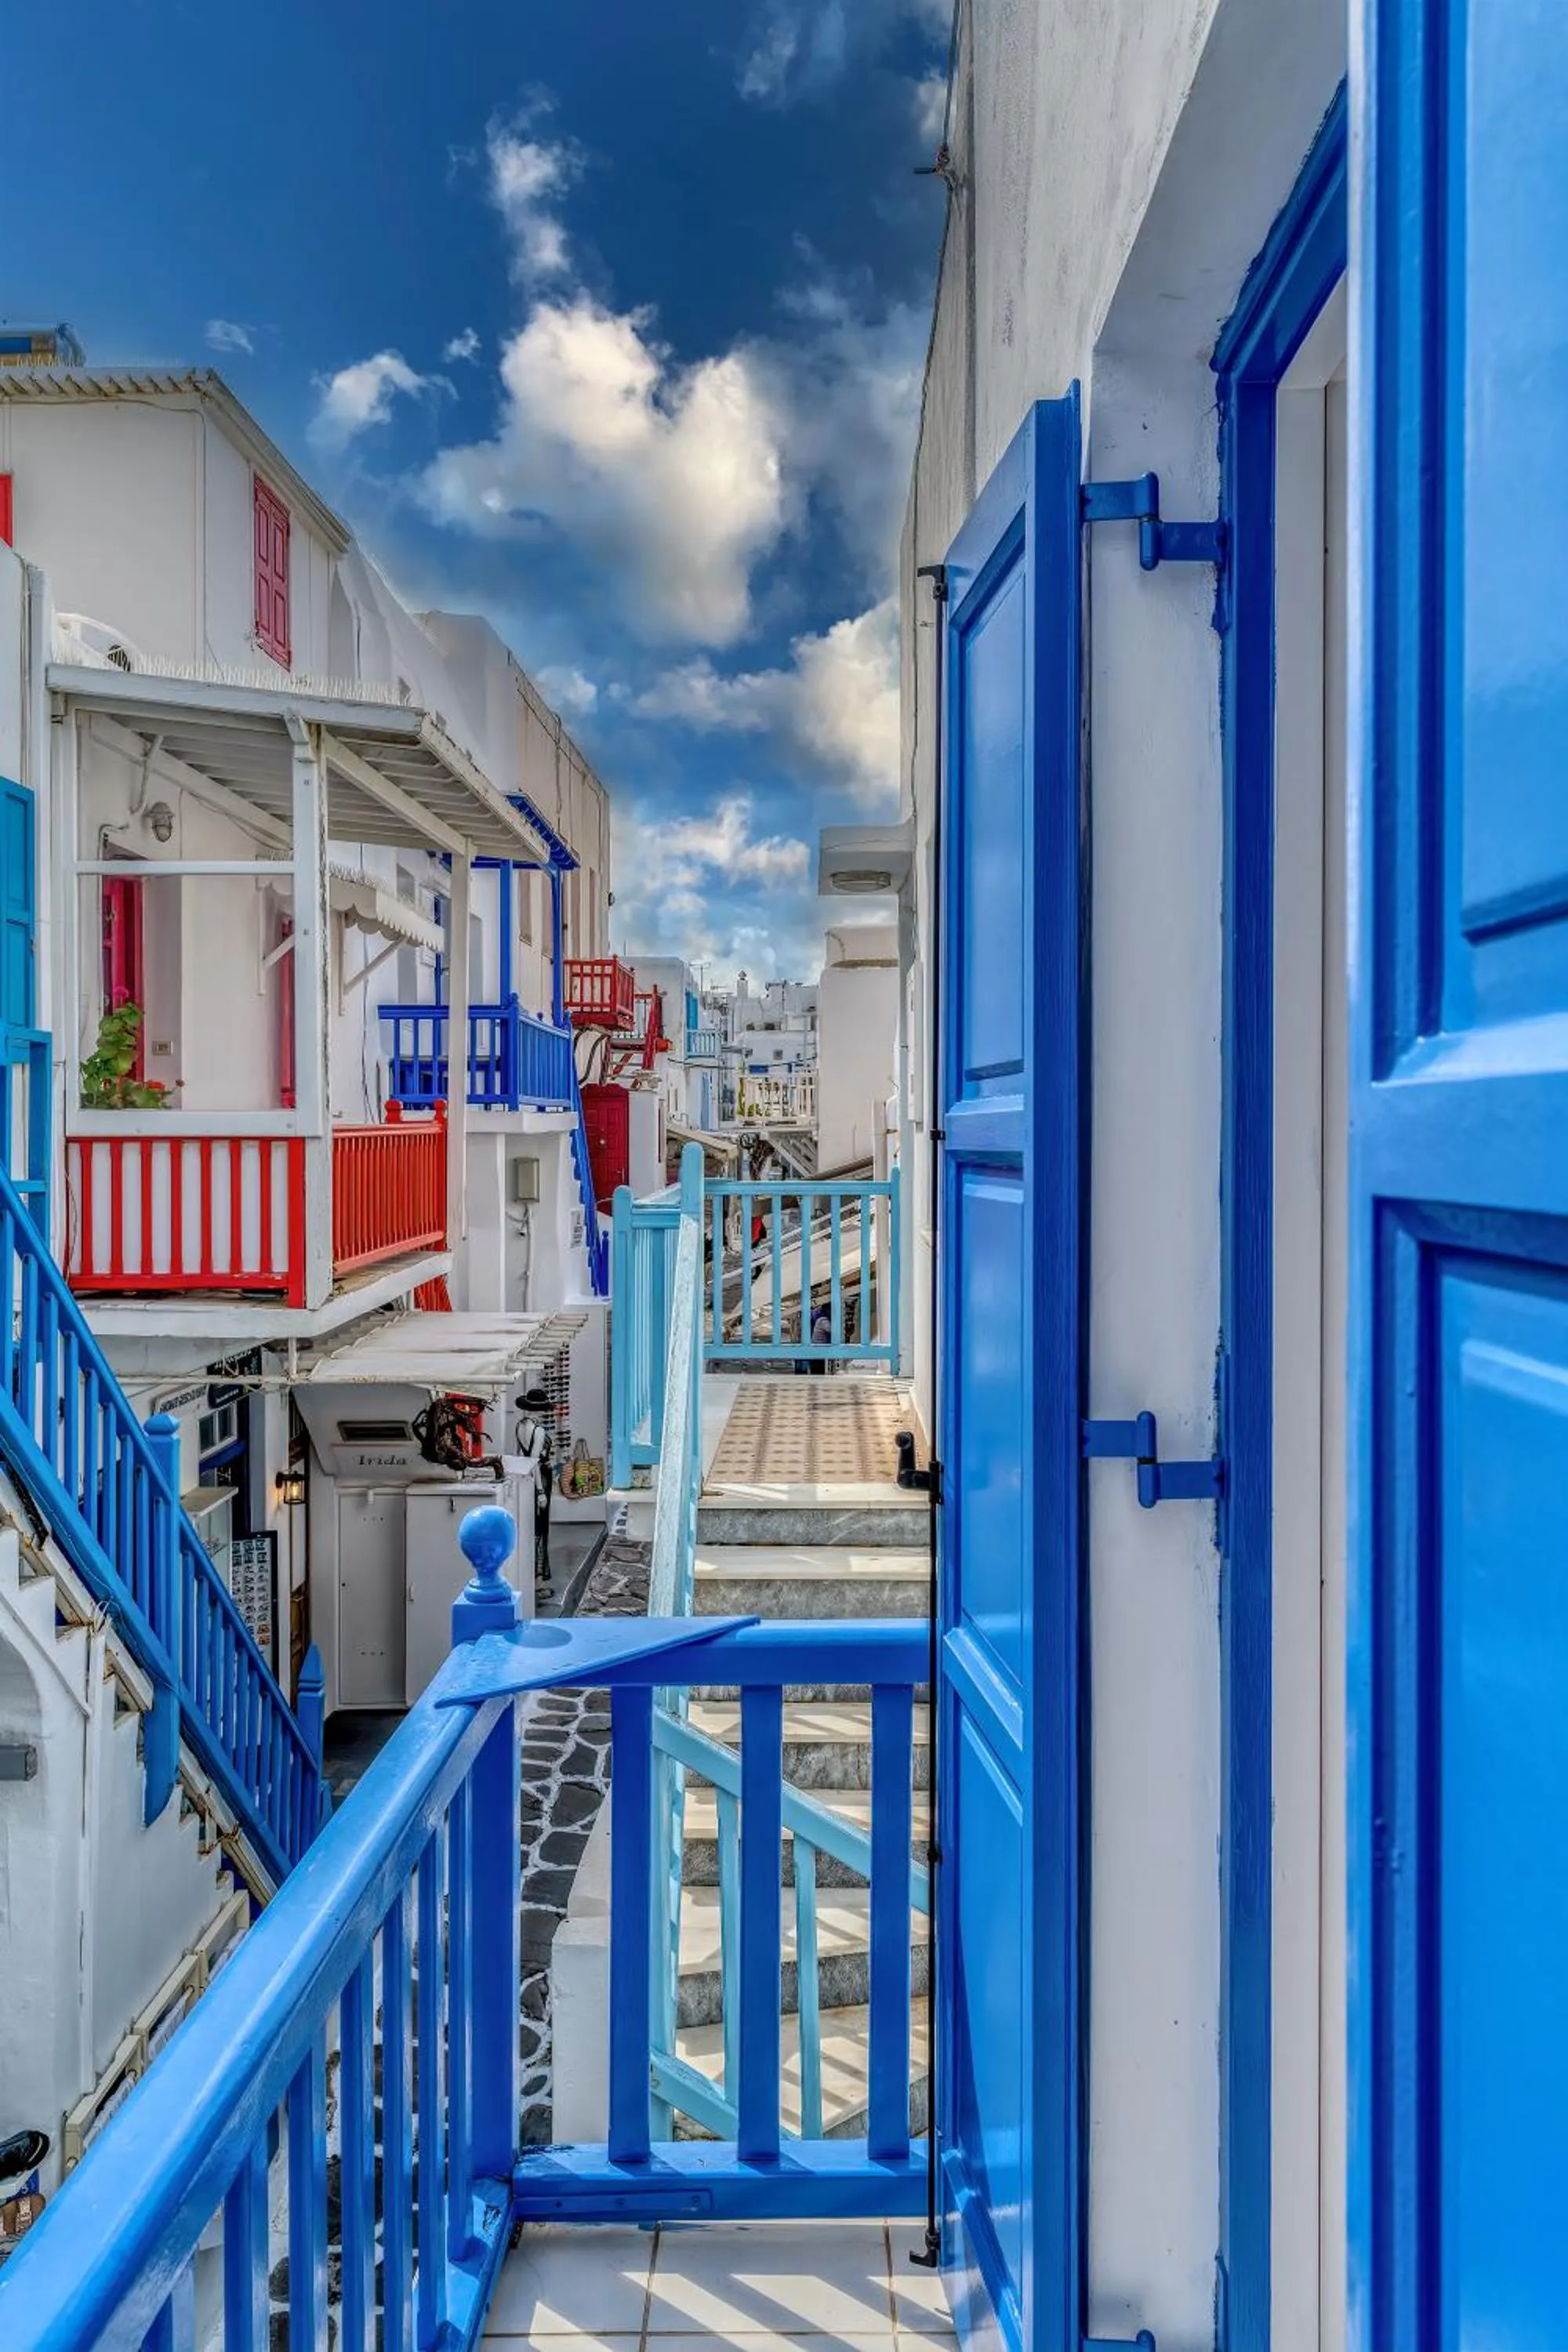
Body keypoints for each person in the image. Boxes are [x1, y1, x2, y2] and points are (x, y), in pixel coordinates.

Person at [514, 1386, 556, 1591]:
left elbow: (521, 1459)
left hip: (526, 1480)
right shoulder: (538, 1431)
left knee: (530, 1528)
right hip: (541, 1479)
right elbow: (534, 1462)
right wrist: (540, 1491)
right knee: (540, 1529)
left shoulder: (519, 1427)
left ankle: (529, 1579)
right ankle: (537, 1582)